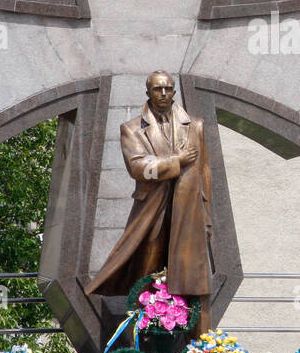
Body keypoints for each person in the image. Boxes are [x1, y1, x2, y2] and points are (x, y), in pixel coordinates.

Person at [84, 70, 213, 298]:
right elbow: (139, 168)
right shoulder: (131, 129)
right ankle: (143, 322)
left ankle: (180, 321)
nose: (163, 93)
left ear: (174, 91)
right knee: (147, 267)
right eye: (157, 89)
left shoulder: (195, 126)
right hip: (152, 210)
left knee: (188, 274)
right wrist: (176, 161)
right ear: (148, 92)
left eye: (168, 88)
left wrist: (208, 219)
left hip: (188, 211)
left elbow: (205, 174)